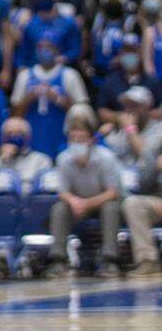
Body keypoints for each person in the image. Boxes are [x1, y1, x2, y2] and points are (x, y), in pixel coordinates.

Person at [45, 114, 123, 278]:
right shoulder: (63, 159)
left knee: (111, 208)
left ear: (91, 140)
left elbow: (113, 192)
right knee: (59, 208)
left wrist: (86, 203)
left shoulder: (106, 158)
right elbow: (63, 192)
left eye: (81, 138)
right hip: (78, 204)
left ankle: (110, 260)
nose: (76, 142)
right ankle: (58, 260)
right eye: (72, 138)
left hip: (103, 201)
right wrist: (73, 201)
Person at [10, 38, 88, 158]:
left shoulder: (69, 74)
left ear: (58, 50)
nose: (45, 51)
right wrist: (29, 98)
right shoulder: (25, 75)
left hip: (62, 137)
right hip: (33, 139)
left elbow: (82, 113)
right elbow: (15, 115)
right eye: (41, 47)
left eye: (49, 47)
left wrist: (59, 99)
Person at [123, 132, 162, 277]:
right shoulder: (157, 150)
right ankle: (148, 261)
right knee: (133, 203)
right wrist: (155, 169)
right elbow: (142, 187)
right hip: (158, 200)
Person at [0, 117, 52, 190]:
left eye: (19, 133)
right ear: (3, 138)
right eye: (9, 133)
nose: (13, 136)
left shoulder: (41, 160)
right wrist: (4, 161)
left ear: (28, 137)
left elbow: (43, 188)